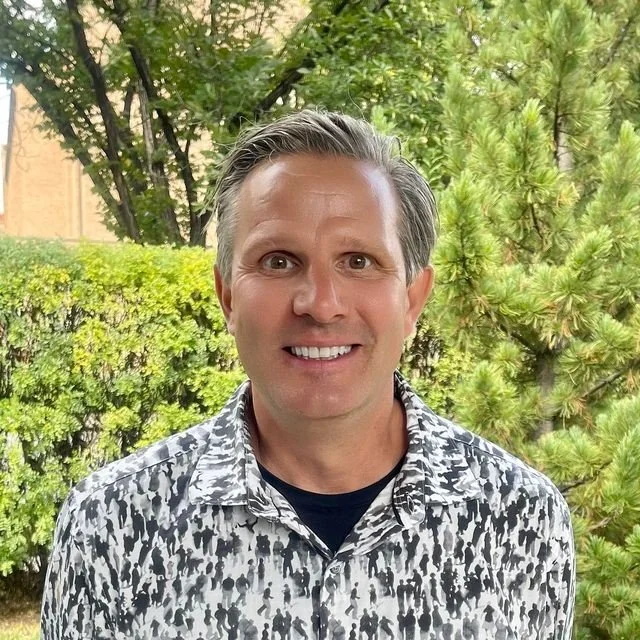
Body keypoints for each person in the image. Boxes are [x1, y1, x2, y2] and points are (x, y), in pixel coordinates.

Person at [40, 110, 575, 639]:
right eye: (278, 261)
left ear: (412, 300)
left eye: (358, 261)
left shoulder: (520, 520)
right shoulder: (111, 526)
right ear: (228, 297)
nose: (320, 304)